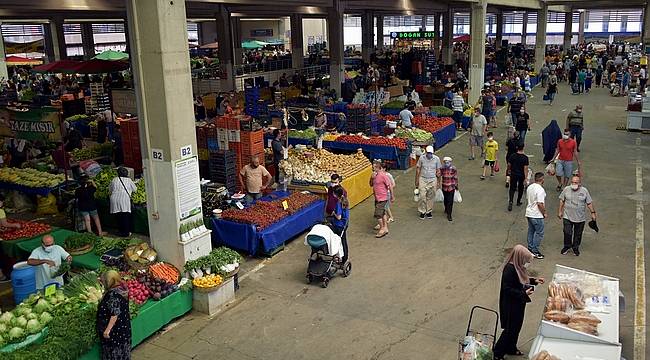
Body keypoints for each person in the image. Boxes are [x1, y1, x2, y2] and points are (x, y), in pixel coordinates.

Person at [493, 245, 544, 360]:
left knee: (516, 328)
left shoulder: (518, 267)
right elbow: (507, 289)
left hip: (518, 303)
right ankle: (498, 353)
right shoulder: (509, 270)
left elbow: (522, 279)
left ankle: (511, 348)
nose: (527, 263)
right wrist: (523, 293)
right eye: (526, 261)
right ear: (520, 258)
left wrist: (534, 281)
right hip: (511, 305)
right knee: (509, 330)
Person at [96, 270, 132, 360]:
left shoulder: (112, 295)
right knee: (124, 354)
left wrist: (107, 330)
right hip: (124, 329)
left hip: (115, 333)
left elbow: (114, 314)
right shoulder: (122, 288)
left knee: (115, 355)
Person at [558, 176, 597, 256]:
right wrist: (560, 211)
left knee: (578, 234)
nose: (573, 184)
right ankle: (567, 246)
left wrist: (593, 213)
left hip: (580, 218)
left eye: (575, 183)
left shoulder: (584, 191)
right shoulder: (566, 189)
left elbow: (589, 203)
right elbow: (562, 200)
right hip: (567, 216)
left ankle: (575, 247)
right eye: (572, 182)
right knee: (567, 232)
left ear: (579, 183)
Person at [415, 145, 441, 219]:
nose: (429, 154)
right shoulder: (421, 158)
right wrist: (416, 180)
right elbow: (418, 169)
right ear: (426, 152)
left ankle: (428, 211)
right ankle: (422, 211)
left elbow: (438, 170)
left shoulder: (436, 159)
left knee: (431, 196)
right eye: (428, 153)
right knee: (422, 196)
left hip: (432, 179)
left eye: (431, 153)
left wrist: (439, 182)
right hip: (423, 179)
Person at [109, 167, 137, 237]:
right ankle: (126, 233)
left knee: (118, 216)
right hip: (124, 199)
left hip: (114, 199)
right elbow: (135, 189)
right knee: (125, 216)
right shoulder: (129, 180)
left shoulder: (114, 180)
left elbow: (110, 189)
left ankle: (121, 231)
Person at [526, 172, 547, 259]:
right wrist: (544, 212)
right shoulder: (540, 190)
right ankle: (535, 251)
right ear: (542, 179)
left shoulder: (530, 187)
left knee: (531, 230)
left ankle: (530, 248)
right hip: (536, 214)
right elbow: (539, 203)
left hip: (529, 213)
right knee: (539, 233)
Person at [370, 160, 393, 238]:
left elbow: (390, 185)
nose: (372, 169)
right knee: (382, 213)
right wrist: (372, 178)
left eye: (373, 168)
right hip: (377, 197)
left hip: (383, 198)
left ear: (378, 168)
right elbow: (370, 184)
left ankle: (382, 228)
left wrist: (392, 196)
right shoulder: (374, 175)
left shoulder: (383, 175)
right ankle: (385, 227)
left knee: (378, 214)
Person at [330, 185, 350, 264]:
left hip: (339, 225)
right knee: (343, 241)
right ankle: (345, 257)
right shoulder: (345, 200)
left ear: (335, 194)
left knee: (337, 240)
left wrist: (333, 213)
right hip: (344, 224)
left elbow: (339, 217)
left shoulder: (339, 203)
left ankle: (339, 256)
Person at [507, 144, 529, 211]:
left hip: (513, 174)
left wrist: (509, 170)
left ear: (517, 148)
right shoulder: (525, 158)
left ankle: (511, 201)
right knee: (520, 188)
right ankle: (518, 201)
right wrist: (526, 178)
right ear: (523, 148)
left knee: (512, 188)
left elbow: (509, 164)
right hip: (521, 175)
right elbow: (525, 168)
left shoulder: (513, 156)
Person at [440, 156, 458, 222]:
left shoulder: (453, 169)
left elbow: (455, 177)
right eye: (445, 162)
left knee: (450, 201)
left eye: (448, 162)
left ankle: (449, 214)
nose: (446, 163)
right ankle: (446, 208)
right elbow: (440, 175)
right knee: (446, 199)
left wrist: (456, 185)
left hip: (451, 186)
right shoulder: (442, 168)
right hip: (444, 186)